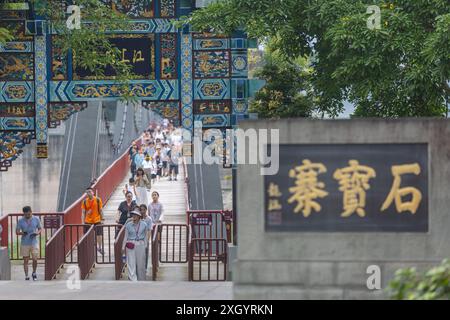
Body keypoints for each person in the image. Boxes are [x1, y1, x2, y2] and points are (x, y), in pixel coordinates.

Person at [121, 210, 150, 281]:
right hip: (131, 244)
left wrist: (146, 245)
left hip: (140, 243)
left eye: (136, 215)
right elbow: (125, 236)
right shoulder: (128, 224)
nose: (134, 216)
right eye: (133, 215)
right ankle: (132, 279)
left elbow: (146, 236)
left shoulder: (144, 224)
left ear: (139, 216)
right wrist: (123, 247)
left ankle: (141, 279)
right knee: (131, 262)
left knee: (141, 263)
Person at [15, 206, 42, 281]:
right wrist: (22, 233)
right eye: (25, 214)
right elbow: (17, 232)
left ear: (31, 212)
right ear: (23, 213)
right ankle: (26, 276)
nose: (27, 216)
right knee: (26, 260)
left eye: (28, 214)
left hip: (34, 242)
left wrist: (37, 233)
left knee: (35, 259)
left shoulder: (36, 219)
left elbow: (40, 229)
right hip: (24, 243)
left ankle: (34, 273)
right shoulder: (20, 220)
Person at [81, 187, 105, 255]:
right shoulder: (85, 201)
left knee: (99, 235)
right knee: (87, 235)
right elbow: (83, 212)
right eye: (87, 192)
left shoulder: (97, 200)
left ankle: (99, 248)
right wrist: (82, 222)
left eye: (89, 192)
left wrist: (102, 219)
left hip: (97, 220)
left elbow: (100, 210)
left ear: (93, 192)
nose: (88, 193)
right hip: (88, 221)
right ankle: (88, 248)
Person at [139, 204, 153, 270]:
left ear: (146, 210)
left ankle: (145, 268)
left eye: (144, 210)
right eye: (141, 210)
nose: (142, 211)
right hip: (138, 238)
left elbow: (149, 230)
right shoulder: (138, 218)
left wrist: (147, 240)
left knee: (145, 253)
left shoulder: (149, 219)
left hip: (145, 238)